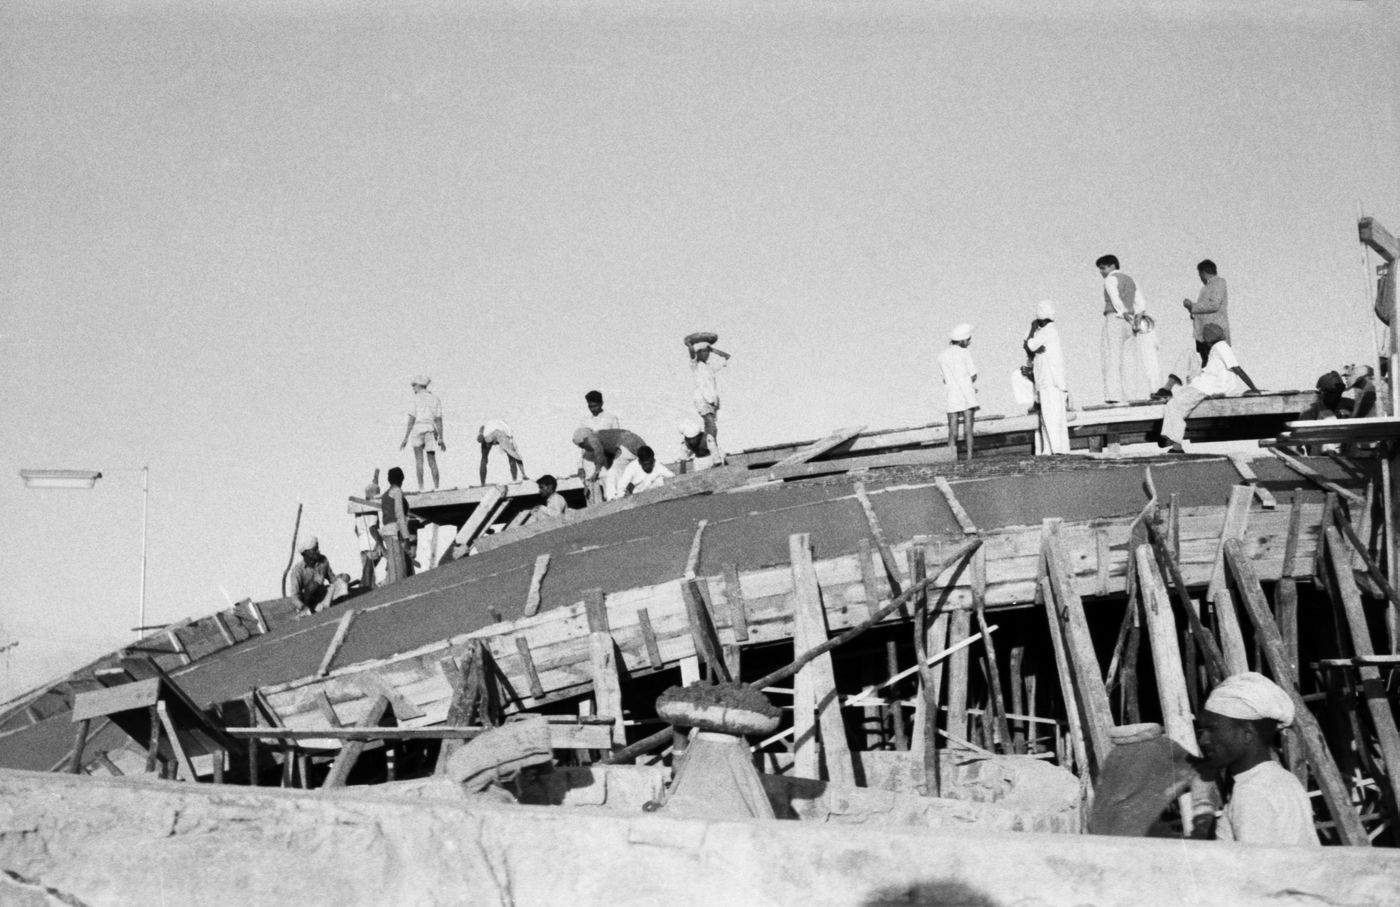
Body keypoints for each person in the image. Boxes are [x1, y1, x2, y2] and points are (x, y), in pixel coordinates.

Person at [1197, 672, 1318, 846]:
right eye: (1202, 732)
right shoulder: (1284, 779)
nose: (1203, 740)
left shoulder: (1250, 792)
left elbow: (1255, 868)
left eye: (1213, 730)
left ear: (1247, 733)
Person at [1159, 323, 1261, 452]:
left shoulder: (1221, 347)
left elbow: (1237, 369)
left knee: (1174, 405)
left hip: (1207, 386)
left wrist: (1254, 388)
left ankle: (1175, 443)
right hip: (1205, 384)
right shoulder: (1217, 349)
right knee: (1176, 403)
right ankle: (1170, 437)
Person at [1096, 255, 1144, 403]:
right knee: (1129, 360)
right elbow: (1141, 303)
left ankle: (1113, 396)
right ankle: (1131, 395)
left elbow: (1116, 300)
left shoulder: (1110, 279)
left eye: (1103, 268)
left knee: (1112, 357)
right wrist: (1136, 319)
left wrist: (1124, 315)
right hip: (1130, 323)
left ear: (1111, 266)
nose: (1101, 272)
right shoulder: (1131, 280)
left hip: (1116, 319)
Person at [1025, 300, 1070, 455]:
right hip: (1052, 381)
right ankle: (1052, 449)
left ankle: (1055, 449)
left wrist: (1032, 329)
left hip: (1049, 381)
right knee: (1053, 416)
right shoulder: (1049, 331)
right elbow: (1032, 349)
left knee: (1050, 415)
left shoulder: (1046, 331)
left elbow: (1029, 346)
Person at [685, 332, 731, 460]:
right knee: (711, 426)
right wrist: (689, 344)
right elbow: (692, 354)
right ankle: (714, 453)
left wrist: (713, 349)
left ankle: (701, 449)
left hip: (712, 401)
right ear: (699, 353)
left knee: (711, 428)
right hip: (703, 399)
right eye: (704, 352)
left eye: (707, 352)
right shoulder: (696, 366)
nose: (707, 354)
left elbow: (727, 357)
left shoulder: (709, 367)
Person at [573, 426, 647, 503]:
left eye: (581, 445)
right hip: (633, 444)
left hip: (628, 446)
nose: (583, 448)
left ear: (583, 440)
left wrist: (596, 472)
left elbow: (600, 454)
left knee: (614, 474)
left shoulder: (592, 439)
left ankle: (615, 501)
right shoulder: (599, 435)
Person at [938, 323, 978, 460]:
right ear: (962, 340)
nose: (969, 342)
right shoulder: (965, 352)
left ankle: (951, 458)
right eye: (968, 340)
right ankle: (969, 456)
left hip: (952, 394)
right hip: (966, 393)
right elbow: (973, 374)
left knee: (952, 428)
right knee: (968, 427)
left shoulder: (942, 356)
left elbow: (945, 379)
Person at [399, 375, 445, 491]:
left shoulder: (415, 399)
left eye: (414, 385)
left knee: (419, 461)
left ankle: (421, 488)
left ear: (419, 385)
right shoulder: (435, 399)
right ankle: (437, 487)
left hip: (417, 430)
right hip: (430, 430)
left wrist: (405, 438)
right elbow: (438, 419)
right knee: (432, 461)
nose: (413, 388)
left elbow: (412, 419)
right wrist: (441, 438)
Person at [1183, 259, 1231, 364]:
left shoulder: (1219, 283)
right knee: (1207, 365)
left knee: (1216, 363)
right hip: (1204, 335)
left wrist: (1193, 306)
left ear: (1203, 272)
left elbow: (1214, 305)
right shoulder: (1206, 288)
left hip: (1214, 334)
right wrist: (1191, 310)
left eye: (1200, 274)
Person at [288, 536, 347, 617]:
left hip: (323, 596)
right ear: (305, 553)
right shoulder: (297, 571)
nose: (318, 551)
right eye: (314, 550)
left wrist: (342, 577)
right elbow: (294, 597)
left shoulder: (323, 560)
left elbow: (332, 579)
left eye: (317, 548)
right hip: (308, 602)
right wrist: (303, 607)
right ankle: (308, 610)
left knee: (341, 582)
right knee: (313, 585)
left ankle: (330, 605)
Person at [380, 466, 413, 584]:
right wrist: (407, 537)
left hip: (387, 532)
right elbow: (400, 515)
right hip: (395, 531)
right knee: (398, 568)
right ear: (401, 479)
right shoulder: (397, 492)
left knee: (394, 564)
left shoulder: (385, 495)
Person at [354, 471, 384, 591]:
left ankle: (367, 587)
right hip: (371, 541)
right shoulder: (371, 508)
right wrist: (379, 543)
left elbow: (355, 529)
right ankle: (364, 588)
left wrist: (376, 476)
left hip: (362, 542)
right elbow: (372, 527)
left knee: (367, 569)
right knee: (369, 569)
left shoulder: (358, 507)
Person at [478, 420, 527, 485]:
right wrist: (523, 474)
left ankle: (482, 483)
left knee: (484, 458)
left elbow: (482, 430)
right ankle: (514, 479)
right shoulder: (508, 434)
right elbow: (517, 458)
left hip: (488, 435)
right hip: (501, 434)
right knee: (512, 456)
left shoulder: (487, 427)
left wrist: (482, 435)